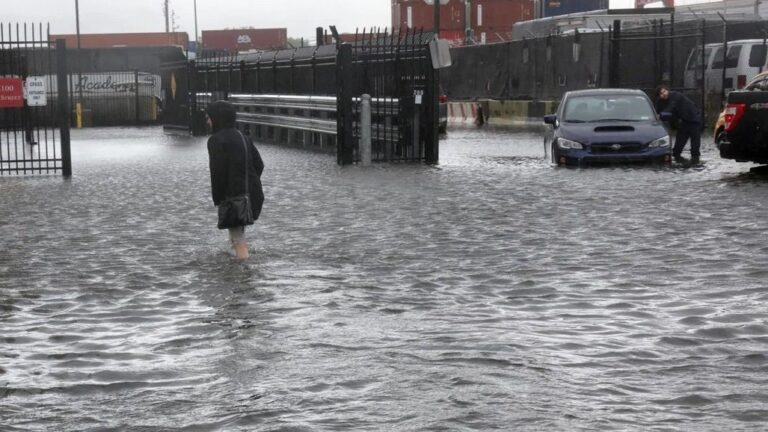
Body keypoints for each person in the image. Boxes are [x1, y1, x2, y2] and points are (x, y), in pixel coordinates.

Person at [206, 100, 264, 259]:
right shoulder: (243, 137)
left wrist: (218, 198)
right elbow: (259, 165)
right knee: (238, 234)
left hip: (235, 197)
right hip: (252, 195)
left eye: (209, 117)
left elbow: (217, 172)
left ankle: (243, 273)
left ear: (218, 118)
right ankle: (239, 263)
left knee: (237, 239)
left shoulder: (216, 140)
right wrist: (250, 186)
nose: (207, 121)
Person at [655, 85, 702, 162]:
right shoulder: (660, 101)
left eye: (664, 91)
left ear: (667, 90)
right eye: (661, 94)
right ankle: (679, 160)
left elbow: (671, 107)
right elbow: (658, 111)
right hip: (683, 122)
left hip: (694, 120)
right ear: (659, 96)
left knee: (695, 148)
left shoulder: (675, 95)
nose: (663, 94)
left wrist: (660, 115)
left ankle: (695, 162)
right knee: (677, 148)